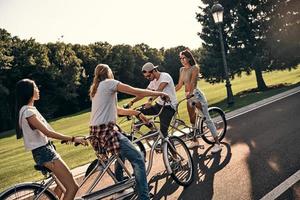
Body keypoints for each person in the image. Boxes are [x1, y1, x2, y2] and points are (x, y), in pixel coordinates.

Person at [89, 63, 169, 200]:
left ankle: (121, 186)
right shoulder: (109, 83)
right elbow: (137, 91)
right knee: (138, 158)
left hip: (97, 131)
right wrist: (160, 93)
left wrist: (137, 113)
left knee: (122, 150)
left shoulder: (96, 88)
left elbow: (117, 111)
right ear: (108, 73)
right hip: (106, 130)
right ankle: (144, 197)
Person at [15, 79, 87, 200]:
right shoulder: (28, 111)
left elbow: (45, 134)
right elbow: (48, 132)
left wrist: (64, 139)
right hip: (45, 153)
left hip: (44, 151)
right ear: (29, 92)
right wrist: (74, 138)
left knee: (61, 188)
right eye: (35, 87)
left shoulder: (28, 110)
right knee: (72, 187)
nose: (38, 90)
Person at [175, 49, 222, 153]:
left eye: (184, 58)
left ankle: (218, 144)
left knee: (206, 118)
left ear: (188, 58)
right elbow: (179, 85)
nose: (182, 60)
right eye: (180, 58)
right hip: (188, 96)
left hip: (196, 95)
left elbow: (192, 82)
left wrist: (190, 93)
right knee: (192, 120)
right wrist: (170, 93)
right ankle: (195, 141)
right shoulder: (181, 70)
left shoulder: (194, 68)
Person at [127, 62, 178, 139]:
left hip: (169, 108)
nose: (147, 78)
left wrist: (150, 101)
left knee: (163, 134)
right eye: (146, 77)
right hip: (158, 106)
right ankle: (153, 129)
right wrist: (131, 102)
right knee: (137, 112)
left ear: (154, 71)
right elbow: (143, 93)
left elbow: (159, 90)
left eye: (148, 76)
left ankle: (171, 150)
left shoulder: (165, 76)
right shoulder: (153, 81)